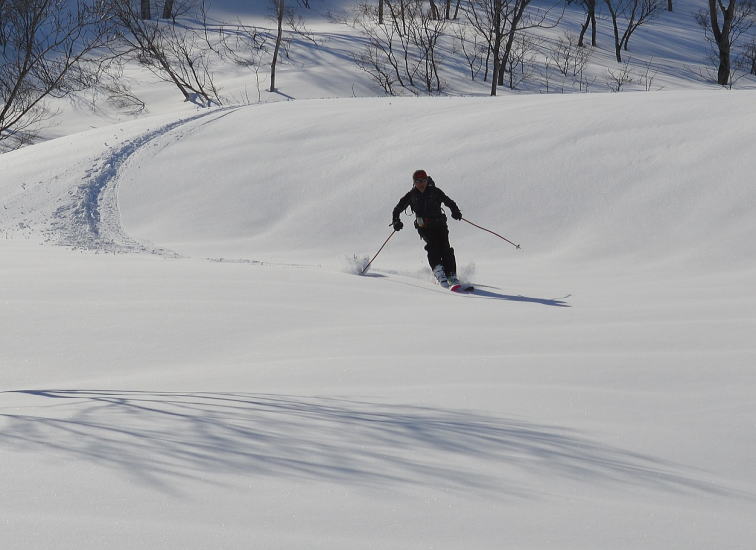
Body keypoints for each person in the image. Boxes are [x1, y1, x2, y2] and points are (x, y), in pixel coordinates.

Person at [392, 169, 462, 287]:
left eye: (423, 180)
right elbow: (397, 209)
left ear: (427, 180)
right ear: (414, 182)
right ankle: (439, 272)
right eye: (418, 181)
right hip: (424, 227)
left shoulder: (435, 191)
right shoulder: (411, 195)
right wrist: (396, 221)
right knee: (433, 246)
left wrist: (455, 211)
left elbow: (448, 201)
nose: (421, 183)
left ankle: (451, 275)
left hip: (440, 224)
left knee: (445, 247)